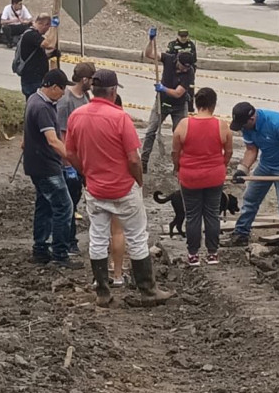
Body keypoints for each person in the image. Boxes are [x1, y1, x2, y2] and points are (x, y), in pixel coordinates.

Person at [65, 69, 173, 308]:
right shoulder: (120, 118)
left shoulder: (77, 116)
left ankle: (103, 291)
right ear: (113, 91)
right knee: (136, 237)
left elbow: (69, 152)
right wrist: (139, 181)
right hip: (123, 187)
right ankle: (147, 289)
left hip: (95, 188)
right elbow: (133, 159)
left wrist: (86, 171)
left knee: (97, 237)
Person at [224, 101, 279, 257]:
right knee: (250, 198)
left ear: (252, 118)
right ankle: (241, 234)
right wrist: (242, 170)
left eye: (243, 124)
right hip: (265, 165)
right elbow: (251, 149)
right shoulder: (247, 127)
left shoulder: (276, 123)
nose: (242, 128)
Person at [172, 87, 233, 267]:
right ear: (214, 105)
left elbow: (175, 151)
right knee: (212, 214)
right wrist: (221, 165)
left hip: (190, 176)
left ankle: (193, 255)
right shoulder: (222, 126)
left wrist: (178, 168)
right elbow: (228, 151)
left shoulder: (183, 125)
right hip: (214, 176)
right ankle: (213, 254)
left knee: (192, 216)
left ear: (196, 104)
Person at [23, 69, 75, 266]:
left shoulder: (34, 99)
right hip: (46, 165)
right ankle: (61, 253)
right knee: (64, 207)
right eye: (61, 90)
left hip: (36, 164)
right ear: (53, 87)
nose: (63, 94)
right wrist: (72, 160)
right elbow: (53, 141)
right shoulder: (43, 108)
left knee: (44, 205)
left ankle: (40, 248)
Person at [141, 28, 195, 172]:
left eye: (187, 68)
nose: (184, 70)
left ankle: (179, 166)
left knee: (181, 135)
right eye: (183, 67)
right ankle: (143, 162)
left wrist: (163, 88)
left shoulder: (189, 72)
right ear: (178, 61)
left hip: (179, 106)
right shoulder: (169, 58)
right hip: (162, 103)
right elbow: (149, 54)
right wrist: (151, 40)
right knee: (150, 131)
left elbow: (178, 93)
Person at [58, 61, 95, 255]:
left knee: (76, 200)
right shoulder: (66, 101)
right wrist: (67, 163)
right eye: (91, 79)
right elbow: (63, 134)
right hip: (69, 161)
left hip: (83, 158)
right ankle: (67, 241)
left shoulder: (86, 97)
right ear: (84, 79)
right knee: (68, 204)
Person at [17, 13, 57, 100]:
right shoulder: (31, 35)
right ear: (43, 24)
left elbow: (38, 56)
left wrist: (51, 55)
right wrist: (54, 28)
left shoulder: (36, 35)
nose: (47, 30)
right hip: (31, 78)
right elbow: (49, 44)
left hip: (37, 76)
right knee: (34, 101)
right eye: (48, 27)